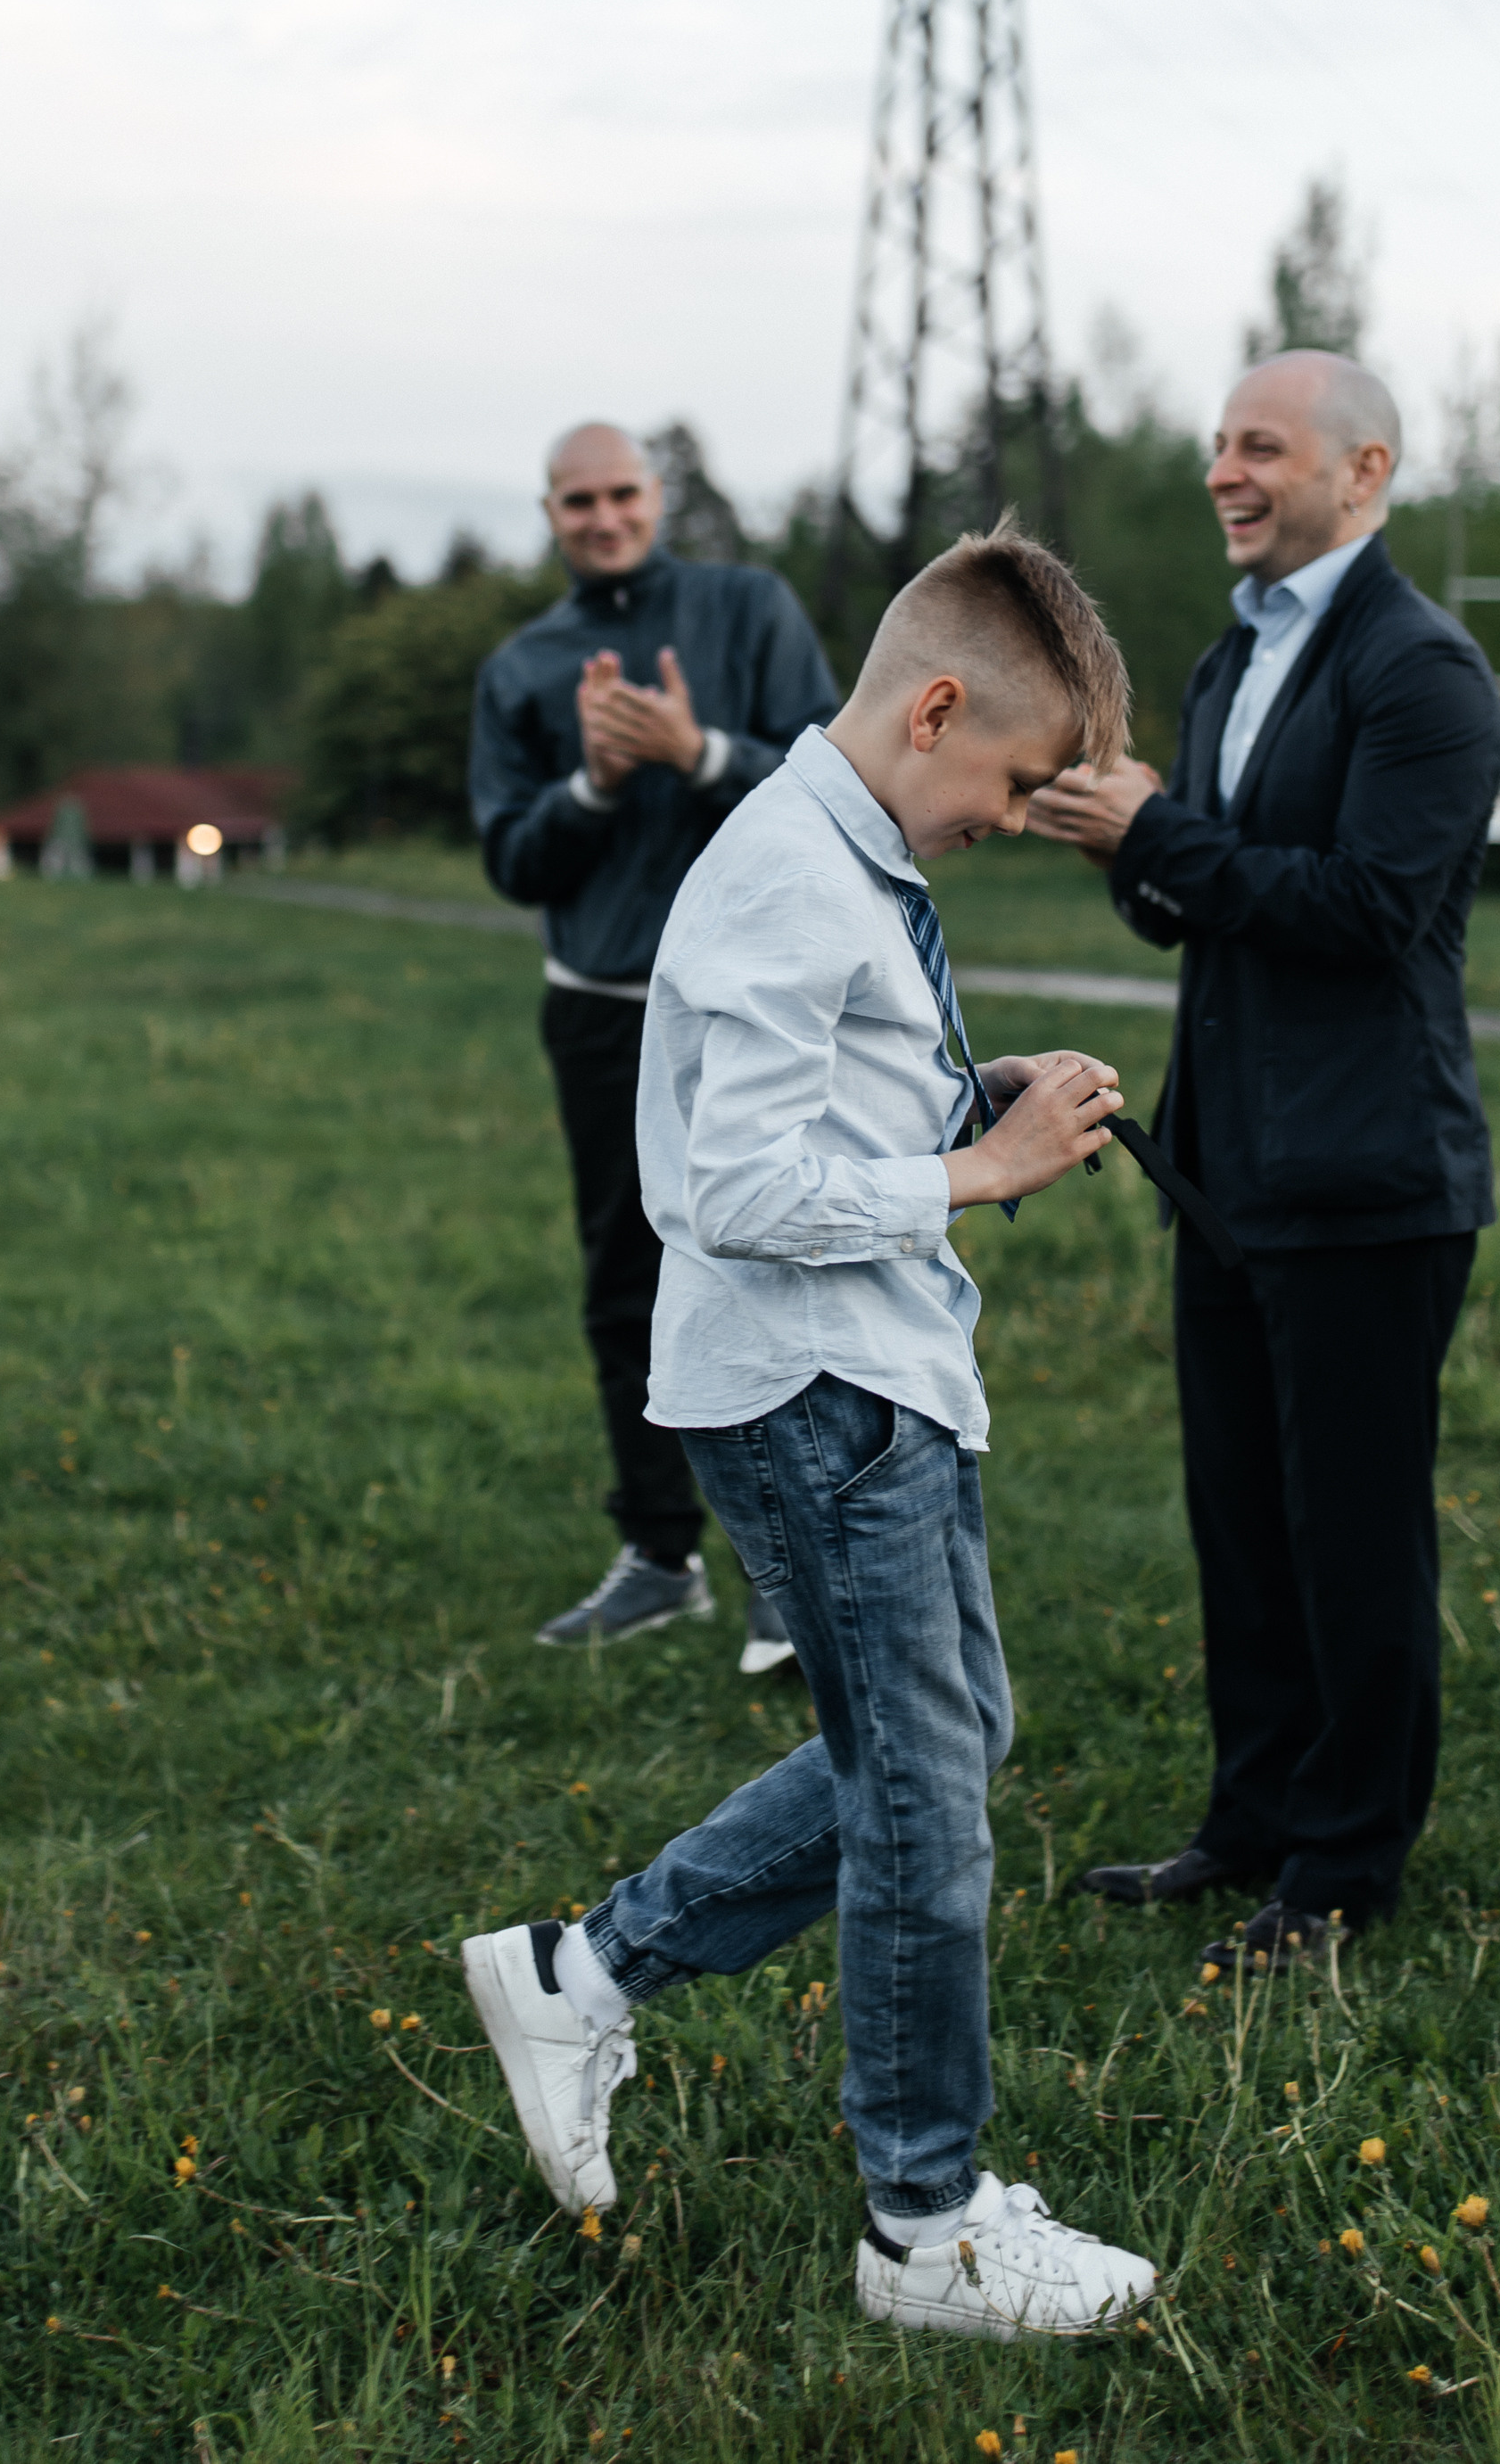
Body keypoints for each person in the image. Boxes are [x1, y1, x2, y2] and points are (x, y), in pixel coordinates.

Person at [463, 523, 1161, 2344]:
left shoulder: (837, 858)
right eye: (1011, 778)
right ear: (932, 706)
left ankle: (583, 1970)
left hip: (863, 1369)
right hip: (818, 1390)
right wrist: (974, 1166)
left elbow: (820, 1096)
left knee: (947, 1744)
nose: (1014, 819)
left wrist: (966, 1092)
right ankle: (921, 2227)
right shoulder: (786, 874)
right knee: (928, 1808)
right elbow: (731, 1180)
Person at [1025, 350, 1500, 1971]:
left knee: (1350, 1536)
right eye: (1217, 446)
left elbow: (1369, 914)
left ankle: (1345, 1870)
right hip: (1226, 1172)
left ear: (1362, 474)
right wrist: (1126, 848)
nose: (1225, 473)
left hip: (1367, 1181)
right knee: (1238, 1518)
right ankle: (1248, 1827)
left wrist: (1157, 836)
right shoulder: (1232, 658)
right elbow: (1199, 902)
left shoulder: (1420, 672)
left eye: (1262, 448)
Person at [470, 423, 839, 1666]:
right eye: (577, 501)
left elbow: (839, 782)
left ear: (657, 495)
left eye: (622, 493)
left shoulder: (749, 608)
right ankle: (657, 1553)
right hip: (600, 1008)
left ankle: (785, 1565)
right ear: (550, 512)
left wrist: (699, 756)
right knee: (627, 1284)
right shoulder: (525, 665)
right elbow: (510, 859)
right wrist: (590, 787)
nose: (603, 517)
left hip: (758, 1006)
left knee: (770, 1271)